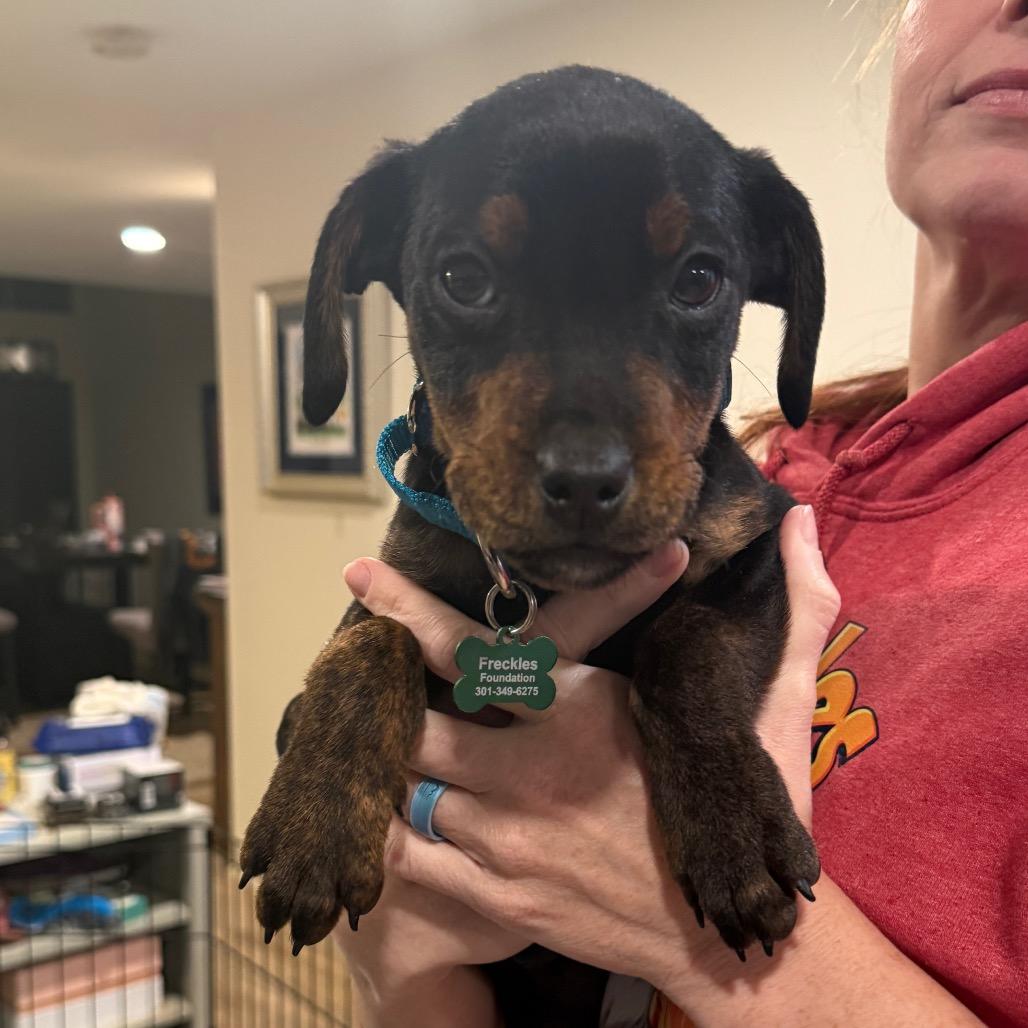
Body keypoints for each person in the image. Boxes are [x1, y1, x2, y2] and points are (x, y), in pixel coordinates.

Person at [331, 1, 1028, 1023]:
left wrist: (670, 919)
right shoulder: (766, 466)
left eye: (694, 277)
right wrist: (400, 960)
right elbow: (417, 965)